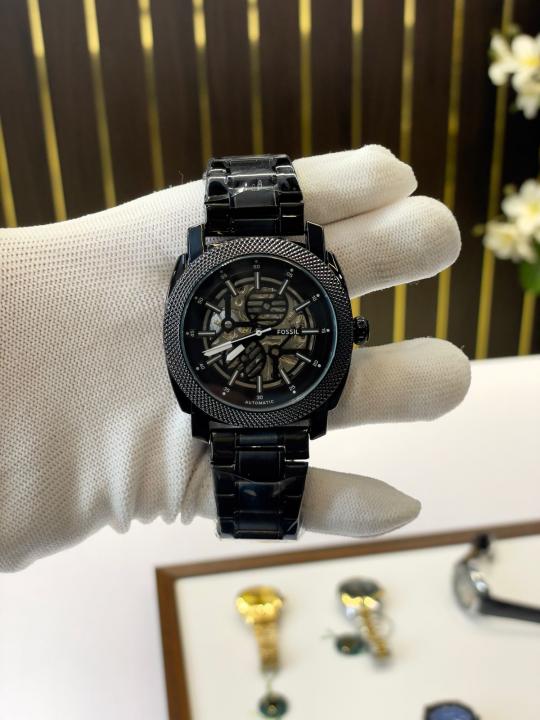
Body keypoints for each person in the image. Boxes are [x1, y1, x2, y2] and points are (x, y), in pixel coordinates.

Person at [0, 146, 470, 572]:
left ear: (350, 331)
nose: (259, 334)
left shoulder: (233, 326)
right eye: (251, 330)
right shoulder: (220, 320)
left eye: (269, 329)